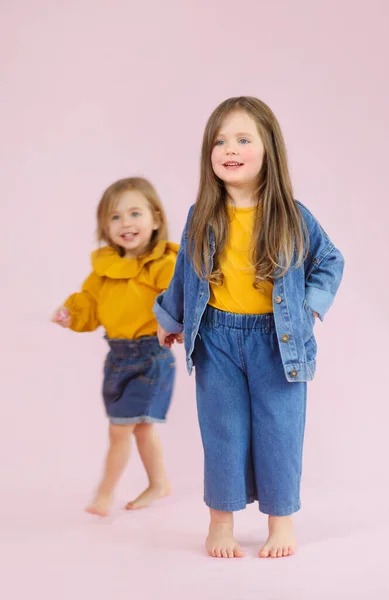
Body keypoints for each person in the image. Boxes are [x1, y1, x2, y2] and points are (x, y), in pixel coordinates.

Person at [155, 97, 344, 558]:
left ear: (268, 151)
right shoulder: (202, 213)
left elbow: (330, 262)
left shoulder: (292, 215)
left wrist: (310, 309)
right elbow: (184, 271)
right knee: (224, 432)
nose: (229, 148)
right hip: (216, 340)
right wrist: (171, 318)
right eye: (220, 140)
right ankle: (220, 524)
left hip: (277, 344)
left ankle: (281, 523)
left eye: (243, 139)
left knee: (279, 431)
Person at [52, 177, 180, 517]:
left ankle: (104, 494)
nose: (125, 223)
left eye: (134, 213)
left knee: (120, 430)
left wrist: (178, 325)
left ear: (155, 219)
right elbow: (89, 305)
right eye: (115, 217)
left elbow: (179, 299)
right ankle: (159, 483)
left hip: (151, 359)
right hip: (118, 358)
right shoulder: (104, 272)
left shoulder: (162, 265)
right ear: (104, 227)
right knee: (140, 429)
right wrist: (71, 314)